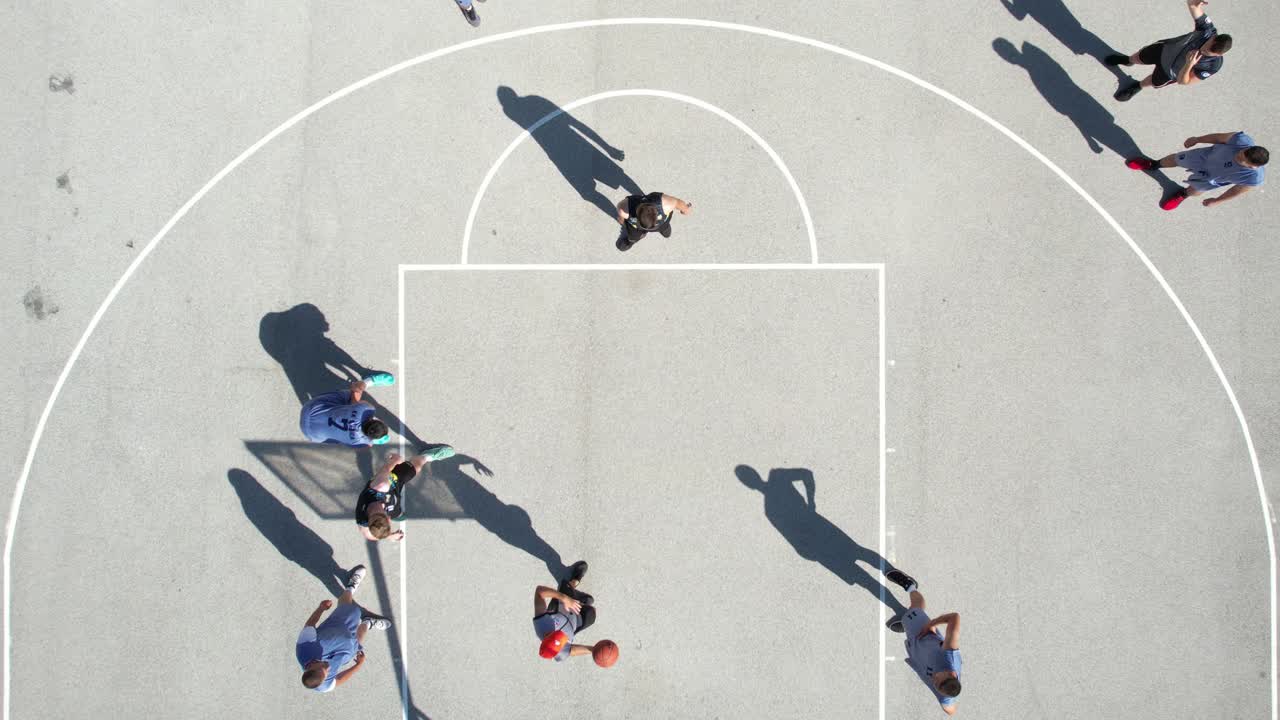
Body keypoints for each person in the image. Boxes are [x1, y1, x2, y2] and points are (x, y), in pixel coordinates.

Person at [1108, 0, 1231, 101]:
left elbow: (1184, 82)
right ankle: (1128, 60)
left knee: (1152, 81)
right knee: (1138, 57)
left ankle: (1137, 86)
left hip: (1169, 72)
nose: (1202, 52)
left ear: (1219, 55)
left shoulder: (1213, 66)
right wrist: (1193, 3)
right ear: (1213, 38)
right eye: (1206, 47)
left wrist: (1189, 64)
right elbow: (1193, 6)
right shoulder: (1207, 31)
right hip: (1163, 50)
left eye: (1207, 53)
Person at [295, 565, 392, 692]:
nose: (328, 667)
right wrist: (358, 665)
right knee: (357, 643)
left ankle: (350, 587)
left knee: (349, 607)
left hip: (336, 626)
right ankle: (368, 623)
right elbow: (339, 679)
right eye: (327, 671)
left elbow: (310, 625)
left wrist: (321, 608)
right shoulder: (323, 685)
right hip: (345, 651)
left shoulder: (304, 647)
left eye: (324, 666)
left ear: (311, 666)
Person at [884, 570, 962, 715]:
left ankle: (906, 622)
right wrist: (931, 623)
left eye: (936, 684)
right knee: (916, 608)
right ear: (952, 673)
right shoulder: (950, 655)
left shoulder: (945, 693)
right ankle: (910, 586)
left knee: (908, 620)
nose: (934, 678)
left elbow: (950, 710)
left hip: (916, 651)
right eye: (938, 677)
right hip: (924, 634)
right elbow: (954, 618)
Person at [1126, 131, 1268, 210]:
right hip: (1205, 157)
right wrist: (1197, 139)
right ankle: (1153, 164)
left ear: (1252, 166)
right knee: (1177, 159)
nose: (1238, 154)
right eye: (1242, 152)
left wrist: (1217, 201)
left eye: (1242, 159)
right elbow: (1218, 137)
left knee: (1196, 190)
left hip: (1213, 177)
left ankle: (1182, 194)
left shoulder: (1253, 178)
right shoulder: (1241, 140)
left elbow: (1236, 191)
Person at [356, 448, 457, 542]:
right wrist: (389, 536)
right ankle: (398, 514)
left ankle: (427, 456)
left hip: (393, 481)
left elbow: (386, 469)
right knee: (397, 512)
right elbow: (368, 535)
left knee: (416, 467)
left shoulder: (380, 486)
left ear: (388, 519)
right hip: (391, 503)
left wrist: (395, 460)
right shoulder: (363, 522)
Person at [298, 374, 395, 447]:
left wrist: (363, 385)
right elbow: (368, 445)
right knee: (346, 442)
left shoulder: (364, 410)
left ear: (373, 420)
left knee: (350, 395)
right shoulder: (358, 441)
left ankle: (371, 379)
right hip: (311, 434)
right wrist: (371, 440)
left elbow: (356, 390)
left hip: (310, 409)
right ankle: (376, 439)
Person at [533, 561, 600, 662]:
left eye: (557, 634)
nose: (562, 634)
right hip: (575, 622)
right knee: (593, 612)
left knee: (566, 586)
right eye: (562, 639)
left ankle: (574, 581)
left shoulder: (541, 624)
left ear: (547, 636)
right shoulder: (559, 652)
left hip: (563, 606)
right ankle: (580, 601)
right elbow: (571, 650)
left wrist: (564, 598)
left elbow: (539, 592)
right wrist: (591, 649)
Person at [615, 192, 692, 251]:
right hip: (660, 225)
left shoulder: (625, 208)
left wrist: (623, 223)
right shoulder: (665, 204)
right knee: (665, 229)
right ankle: (665, 230)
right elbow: (679, 203)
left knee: (632, 237)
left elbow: (621, 218)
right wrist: (685, 210)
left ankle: (633, 240)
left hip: (636, 228)